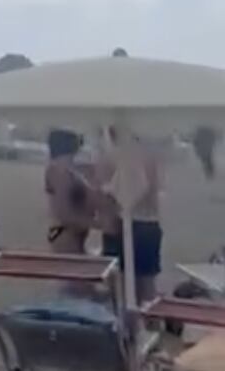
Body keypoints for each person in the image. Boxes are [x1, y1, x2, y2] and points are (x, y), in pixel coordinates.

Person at [97, 128, 163, 304]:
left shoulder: (114, 154)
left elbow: (106, 193)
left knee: (122, 285)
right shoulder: (146, 153)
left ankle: (131, 318)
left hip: (130, 222)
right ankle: (146, 317)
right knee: (143, 285)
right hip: (145, 223)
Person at [44, 129, 96, 254]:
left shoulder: (71, 168)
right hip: (65, 233)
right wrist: (99, 224)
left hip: (74, 234)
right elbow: (64, 214)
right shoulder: (58, 170)